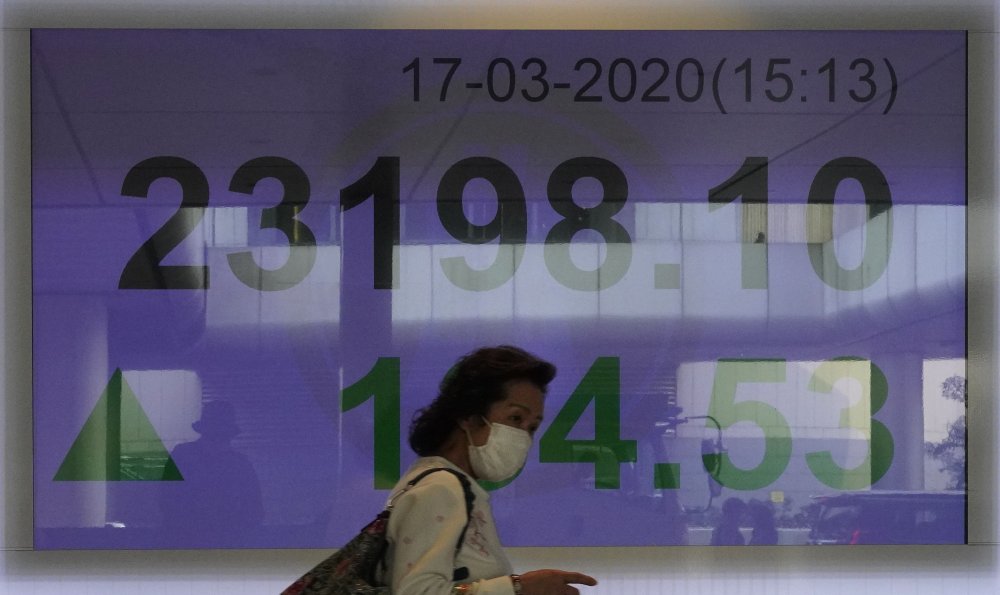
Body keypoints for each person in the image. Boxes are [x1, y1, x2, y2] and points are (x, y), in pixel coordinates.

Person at [383, 345, 598, 595]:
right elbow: (416, 592)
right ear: (469, 416)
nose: (522, 437)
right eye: (516, 418)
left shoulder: (451, 486)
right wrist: (519, 588)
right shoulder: (440, 489)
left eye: (532, 427)